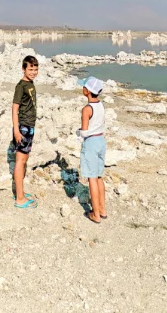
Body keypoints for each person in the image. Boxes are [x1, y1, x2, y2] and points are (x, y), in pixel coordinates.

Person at [77, 76, 107, 223]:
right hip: (101, 141)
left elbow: (84, 131)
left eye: (83, 87)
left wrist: (78, 133)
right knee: (99, 176)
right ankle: (102, 209)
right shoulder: (101, 105)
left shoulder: (87, 109)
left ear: (87, 91)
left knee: (92, 179)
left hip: (91, 143)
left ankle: (95, 214)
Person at [11, 55, 39, 209]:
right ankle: (19, 199)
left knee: (24, 159)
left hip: (29, 127)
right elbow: (15, 108)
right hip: (22, 127)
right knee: (20, 161)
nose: (33, 72)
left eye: (35, 69)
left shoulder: (30, 83)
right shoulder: (20, 86)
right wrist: (16, 130)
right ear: (23, 69)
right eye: (30, 69)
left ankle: (21, 192)